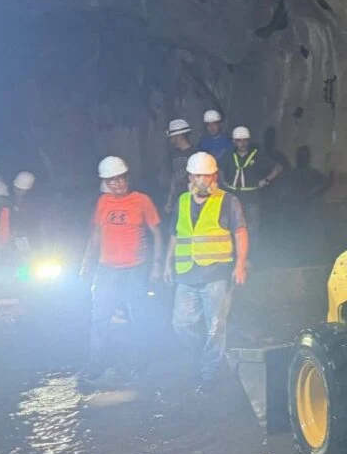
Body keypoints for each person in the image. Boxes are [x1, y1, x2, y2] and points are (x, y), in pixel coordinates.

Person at [160, 151, 248, 393]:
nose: (202, 181)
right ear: (190, 176)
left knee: (215, 325)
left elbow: (240, 232)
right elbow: (175, 234)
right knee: (181, 323)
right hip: (186, 274)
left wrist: (240, 264)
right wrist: (167, 264)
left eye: (207, 176)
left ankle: (210, 373)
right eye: (198, 176)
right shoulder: (182, 202)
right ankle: (208, 355)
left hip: (216, 273)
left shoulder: (228, 201)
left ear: (214, 176)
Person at [78, 156, 163, 383]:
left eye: (120, 178)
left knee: (138, 317)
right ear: (106, 182)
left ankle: (140, 362)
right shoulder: (103, 203)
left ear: (127, 177)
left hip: (135, 269)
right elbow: (96, 234)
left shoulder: (142, 201)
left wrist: (156, 265)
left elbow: (156, 234)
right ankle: (95, 363)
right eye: (112, 180)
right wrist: (87, 262)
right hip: (107, 269)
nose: (117, 184)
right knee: (99, 318)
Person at [221, 126, 282, 245]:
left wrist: (266, 180)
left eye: (245, 140)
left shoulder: (257, 155)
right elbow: (219, 170)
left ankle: (253, 257)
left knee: (252, 229)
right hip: (234, 197)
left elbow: (278, 168)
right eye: (239, 140)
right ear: (234, 142)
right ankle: (236, 256)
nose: (242, 143)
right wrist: (224, 184)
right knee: (233, 227)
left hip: (251, 197)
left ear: (249, 141)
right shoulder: (228, 156)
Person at [165, 119, 195, 215]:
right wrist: (170, 201)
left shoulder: (196, 153)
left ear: (179, 136)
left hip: (192, 199)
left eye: (173, 137)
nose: (171, 140)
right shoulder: (173, 154)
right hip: (177, 199)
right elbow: (173, 178)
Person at [10, 171, 42, 251]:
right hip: (8, 240)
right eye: (17, 188)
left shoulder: (33, 206)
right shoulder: (7, 202)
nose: (18, 191)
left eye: (21, 189)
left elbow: (35, 226)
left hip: (26, 239)